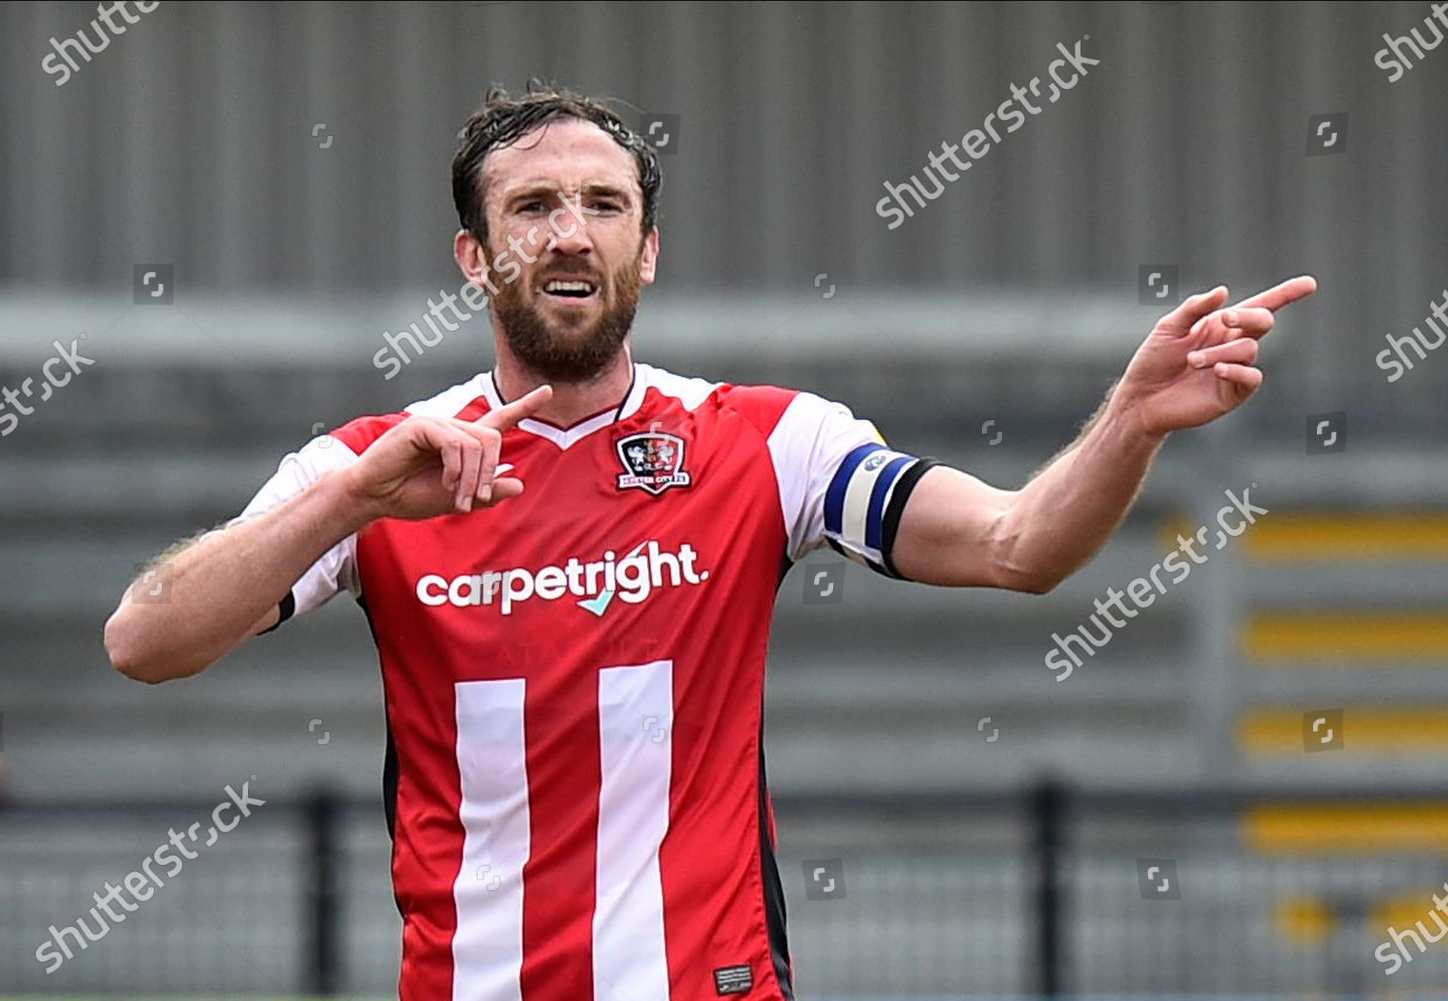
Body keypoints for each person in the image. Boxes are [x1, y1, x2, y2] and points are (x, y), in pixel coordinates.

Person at [102, 82, 1317, 1000]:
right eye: (532, 208)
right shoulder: (377, 465)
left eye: (603, 205)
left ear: (648, 249)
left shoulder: (766, 443)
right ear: (476, 259)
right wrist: (352, 502)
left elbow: (1018, 546)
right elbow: (145, 641)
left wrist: (1134, 419)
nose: (570, 233)